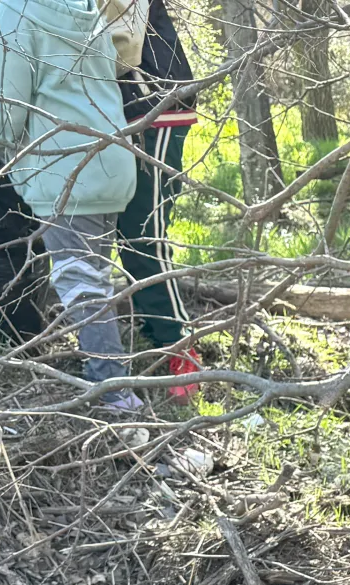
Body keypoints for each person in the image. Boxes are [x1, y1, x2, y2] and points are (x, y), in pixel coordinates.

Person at [0, 0, 142, 412]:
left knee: (81, 283)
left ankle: (114, 394)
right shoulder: (82, 8)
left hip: (67, 169)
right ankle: (108, 378)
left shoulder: (12, 15)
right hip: (109, 158)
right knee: (92, 274)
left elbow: (4, 121)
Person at [116, 0, 202, 400]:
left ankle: (180, 348)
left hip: (153, 100)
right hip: (127, 107)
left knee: (142, 232)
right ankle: (154, 329)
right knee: (127, 229)